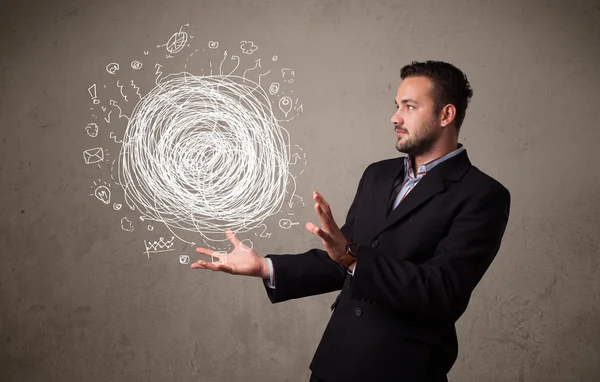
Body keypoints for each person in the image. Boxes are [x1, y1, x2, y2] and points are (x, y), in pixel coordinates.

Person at [191, 60, 511, 382]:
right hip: (335, 362)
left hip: (405, 371)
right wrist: (264, 267)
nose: (395, 117)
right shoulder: (378, 175)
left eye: (410, 107)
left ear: (446, 115)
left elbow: (441, 291)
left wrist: (349, 255)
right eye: (397, 106)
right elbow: (342, 259)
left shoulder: (482, 195)